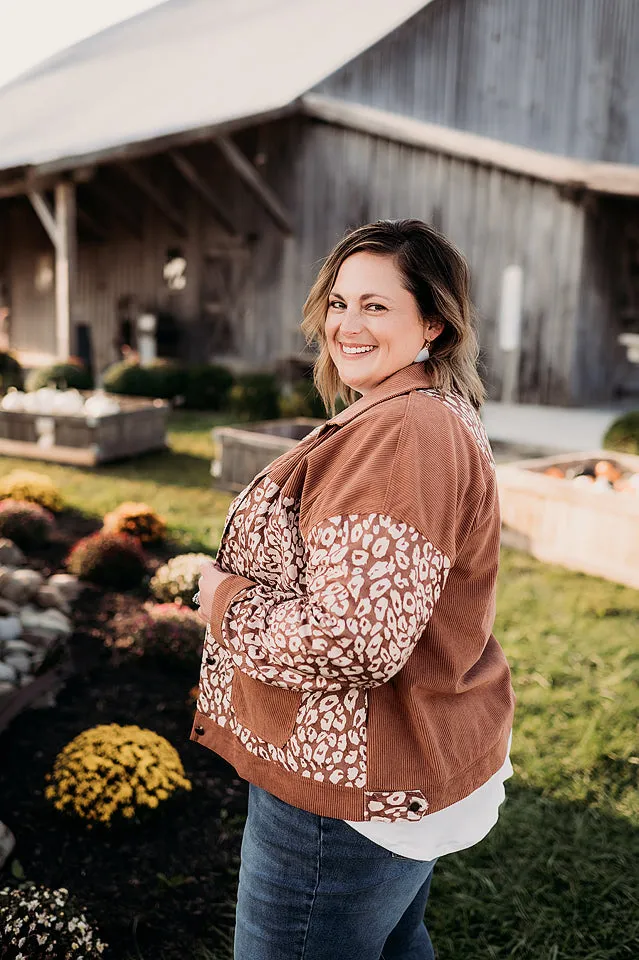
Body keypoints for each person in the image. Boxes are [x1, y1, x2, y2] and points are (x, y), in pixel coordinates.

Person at [193, 219, 516, 960]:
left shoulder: (402, 433)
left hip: (340, 793)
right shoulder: (414, 411)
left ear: (432, 322)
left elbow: (353, 639)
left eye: (376, 306)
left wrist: (224, 602)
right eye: (338, 303)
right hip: (379, 770)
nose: (346, 324)